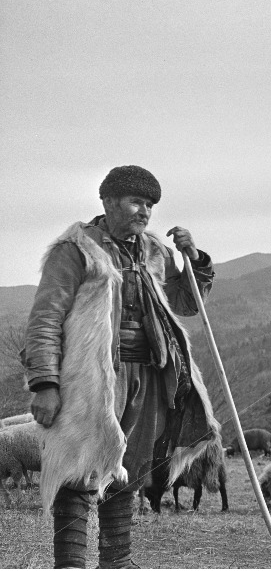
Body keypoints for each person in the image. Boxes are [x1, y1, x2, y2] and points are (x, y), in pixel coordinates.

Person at [22, 165, 223, 569]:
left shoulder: (153, 250)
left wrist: (195, 259)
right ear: (109, 201)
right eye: (136, 201)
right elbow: (46, 317)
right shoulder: (76, 249)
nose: (145, 211)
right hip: (93, 377)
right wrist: (45, 383)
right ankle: (71, 568)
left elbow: (187, 305)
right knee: (80, 467)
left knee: (130, 467)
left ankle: (118, 563)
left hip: (150, 374)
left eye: (150, 205)